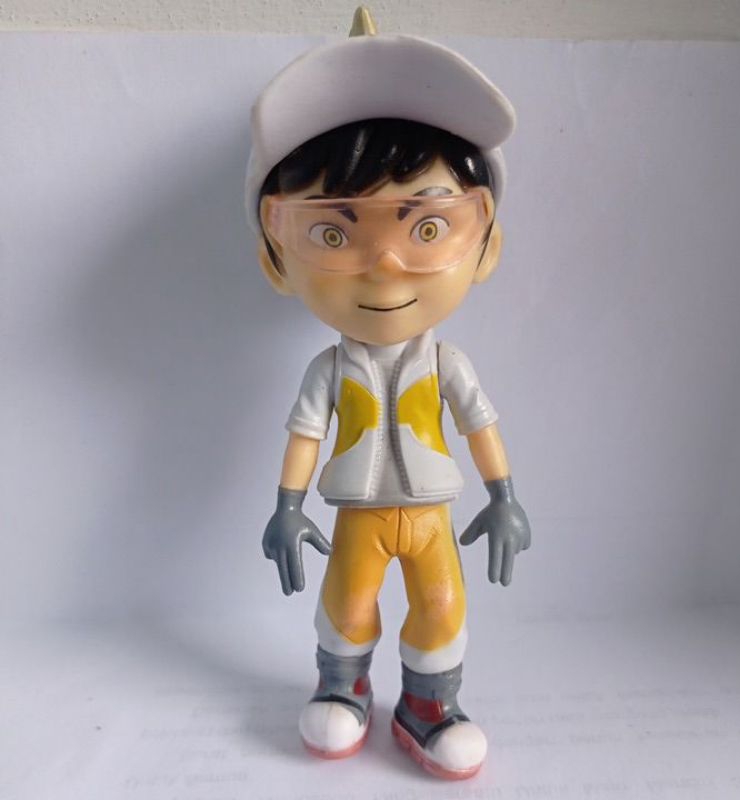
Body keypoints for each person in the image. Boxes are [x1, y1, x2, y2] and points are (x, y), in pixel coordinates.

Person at [246, 7, 531, 780]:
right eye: (333, 234)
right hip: (358, 517)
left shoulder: (448, 364)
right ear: (277, 255)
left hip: (432, 513)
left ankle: (430, 705)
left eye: (427, 228)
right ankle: (343, 687)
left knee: (442, 605)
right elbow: (305, 435)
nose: (386, 265)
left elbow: (479, 424)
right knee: (347, 603)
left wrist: (503, 495)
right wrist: (288, 505)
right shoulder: (329, 370)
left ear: (485, 242)